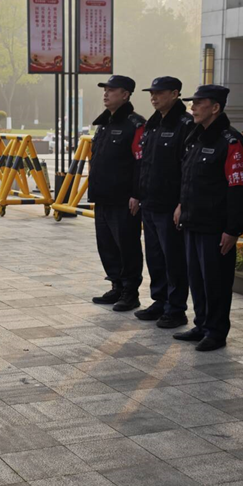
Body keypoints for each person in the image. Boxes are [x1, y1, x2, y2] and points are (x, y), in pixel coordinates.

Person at [172, 85, 243, 351]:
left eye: (199, 103)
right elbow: (189, 177)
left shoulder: (230, 141)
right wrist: (182, 205)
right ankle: (202, 324)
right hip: (193, 221)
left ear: (215, 107)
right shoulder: (195, 137)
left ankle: (216, 332)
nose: (192, 107)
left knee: (215, 282)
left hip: (216, 228)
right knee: (196, 280)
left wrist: (233, 229)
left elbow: (240, 188)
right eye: (192, 103)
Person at [135, 76, 194, 328]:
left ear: (175, 94)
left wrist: (182, 203)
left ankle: (176, 308)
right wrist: (139, 194)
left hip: (170, 206)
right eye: (152, 93)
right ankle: (159, 301)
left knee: (174, 260)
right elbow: (145, 163)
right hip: (150, 202)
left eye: (159, 93)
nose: (154, 97)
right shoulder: (153, 123)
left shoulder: (185, 124)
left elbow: (187, 169)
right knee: (155, 257)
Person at [89, 75, 146, 312]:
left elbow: (141, 163)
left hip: (124, 199)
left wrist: (136, 194)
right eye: (105, 90)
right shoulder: (105, 123)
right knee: (107, 245)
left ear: (125, 94)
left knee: (127, 246)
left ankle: (130, 292)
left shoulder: (136, 125)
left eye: (112, 90)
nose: (106, 93)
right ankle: (116, 285)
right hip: (103, 196)